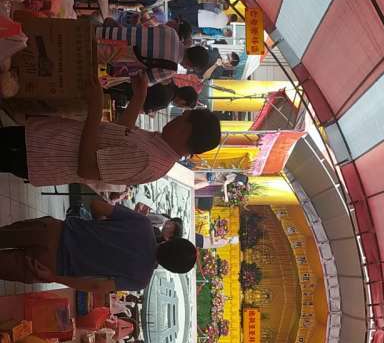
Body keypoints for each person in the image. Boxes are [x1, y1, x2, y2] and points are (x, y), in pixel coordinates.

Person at [0, 77, 221, 189]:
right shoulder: (159, 146)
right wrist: (139, 97)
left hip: (41, 156)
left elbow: (87, 168)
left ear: (185, 130)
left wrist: (95, 112)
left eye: (181, 118)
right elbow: (120, 134)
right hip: (44, 138)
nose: (175, 118)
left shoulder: (149, 160)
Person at [0, 200, 197, 290]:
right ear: (170, 269)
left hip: (52, 231)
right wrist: (53, 277)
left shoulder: (143, 224)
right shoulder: (140, 280)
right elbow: (96, 285)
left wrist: (99, 227)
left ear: (173, 241)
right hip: (51, 264)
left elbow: (96, 205)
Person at [96, 23, 209, 84]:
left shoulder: (172, 32)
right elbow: (145, 80)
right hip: (106, 51)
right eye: (192, 69)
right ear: (190, 65)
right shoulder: (170, 68)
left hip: (106, 32)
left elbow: (150, 29)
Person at [106, 81, 198, 114]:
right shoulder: (165, 101)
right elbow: (139, 109)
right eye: (183, 107)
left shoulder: (169, 79)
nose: (180, 107)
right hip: (120, 92)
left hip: (122, 79)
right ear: (183, 101)